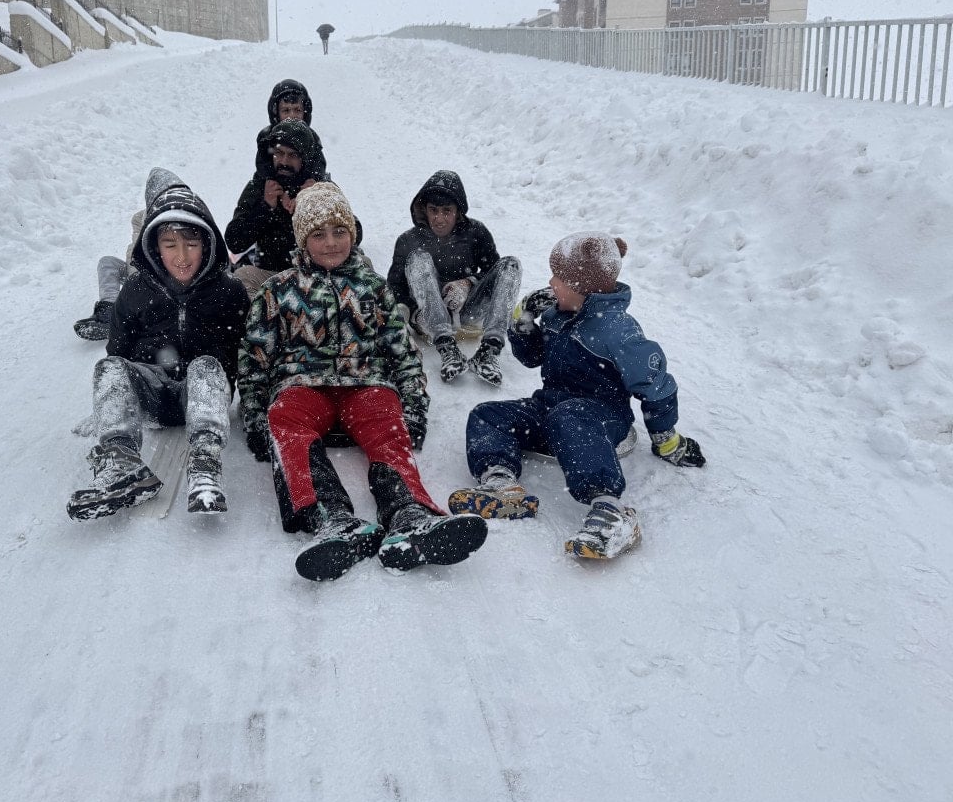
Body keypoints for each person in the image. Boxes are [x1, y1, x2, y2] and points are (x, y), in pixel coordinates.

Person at [238, 182, 488, 581]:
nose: (331, 242)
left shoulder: (372, 288)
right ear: (302, 240)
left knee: (384, 418)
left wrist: (413, 407)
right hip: (303, 385)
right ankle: (332, 518)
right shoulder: (278, 290)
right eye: (318, 234)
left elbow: (402, 351)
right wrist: (254, 416)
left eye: (340, 231)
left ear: (353, 233)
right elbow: (254, 357)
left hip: (363, 383)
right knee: (285, 418)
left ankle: (409, 513)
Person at [448, 232, 706, 558]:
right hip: (553, 407)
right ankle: (502, 483)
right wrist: (523, 320)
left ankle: (609, 510)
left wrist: (667, 439)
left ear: (583, 288)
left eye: (559, 277)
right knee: (487, 415)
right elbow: (533, 358)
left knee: (569, 417)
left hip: (602, 420)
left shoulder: (617, 331)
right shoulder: (558, 314)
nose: (551, 283)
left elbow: (656, 385)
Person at [67, 170, 250, 520]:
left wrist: (254, 405)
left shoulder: (229, 293)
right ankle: (122, 462)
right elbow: (117, 355)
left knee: (207, 365)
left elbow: (249, 355)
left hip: (203, 397)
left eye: (191, 244)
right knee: (108, 368)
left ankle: (204, 464)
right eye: (170, 245)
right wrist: (107, 410)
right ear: (154, 247)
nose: (182, 256)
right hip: (153, 393)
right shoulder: (135, 292)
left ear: (208, 244)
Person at [386, 170, 522, 386]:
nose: (439, 219)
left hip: (467, 312)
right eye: (434, 211)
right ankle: (448, 348)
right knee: (418, 257)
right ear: (425, 210)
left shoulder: (476, 233)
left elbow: (492, 273)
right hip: (429, 318)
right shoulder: (408, 240)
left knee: (510, 264)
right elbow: (395, 288)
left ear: (458, 211)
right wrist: (412, 313)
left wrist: (469, 283)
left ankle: (489, 351)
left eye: (446, 211)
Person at [226, 118, 363, 298]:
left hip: (322, 277)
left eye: (292, 155)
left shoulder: (320, 185)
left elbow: (356, 233)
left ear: (305, 158)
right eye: (279, 153)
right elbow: (234, 241)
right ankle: (265, 323)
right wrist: (265, 207)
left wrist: (316, 202)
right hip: (273, 277)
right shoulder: (260, 187)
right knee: (242, 278)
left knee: (363, 264)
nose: (283, 161)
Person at [72, 168, 180, 341]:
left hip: (166, 276)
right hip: (137, 272)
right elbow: (135, 249)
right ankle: (108, 310)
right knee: (107, 262)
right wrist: (134, 278)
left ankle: (148, 315)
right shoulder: (139, 218)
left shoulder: (180, 214)